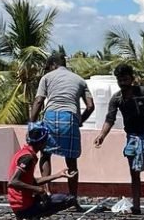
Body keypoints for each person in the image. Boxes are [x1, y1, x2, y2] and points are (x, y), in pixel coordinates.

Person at [93, 64, 144, 215]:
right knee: (134, 172)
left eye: (125, 79)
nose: (123, 82)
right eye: (120, 80)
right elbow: (110, 119)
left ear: (131, 79)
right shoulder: (117, 99)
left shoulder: (143, 93)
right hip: (133, 137)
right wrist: (102, 135)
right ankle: (136, 206)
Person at [28, 49, 94, 203]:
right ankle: (72, 198)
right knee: (71, 160)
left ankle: (46, 194)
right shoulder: (80, 80)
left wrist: (32, 123)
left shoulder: (47, 78)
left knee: (45, 155)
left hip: (50, 117)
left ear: (53, 65)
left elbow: (38, 101)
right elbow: (91, 106)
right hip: (70, 118)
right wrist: (80, 121)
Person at [8, 123, 79, 220]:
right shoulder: (27, 158)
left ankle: (27, 216)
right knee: (69, 199)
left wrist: (58, 175)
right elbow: (13, 182)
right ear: (40, 143)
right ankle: (30, 217)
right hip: (23, 206)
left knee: (52, 198)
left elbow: (32, 182)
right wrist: (38, 189)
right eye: (45, 141)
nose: (47, 143)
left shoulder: (24, 153)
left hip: (20, 205)